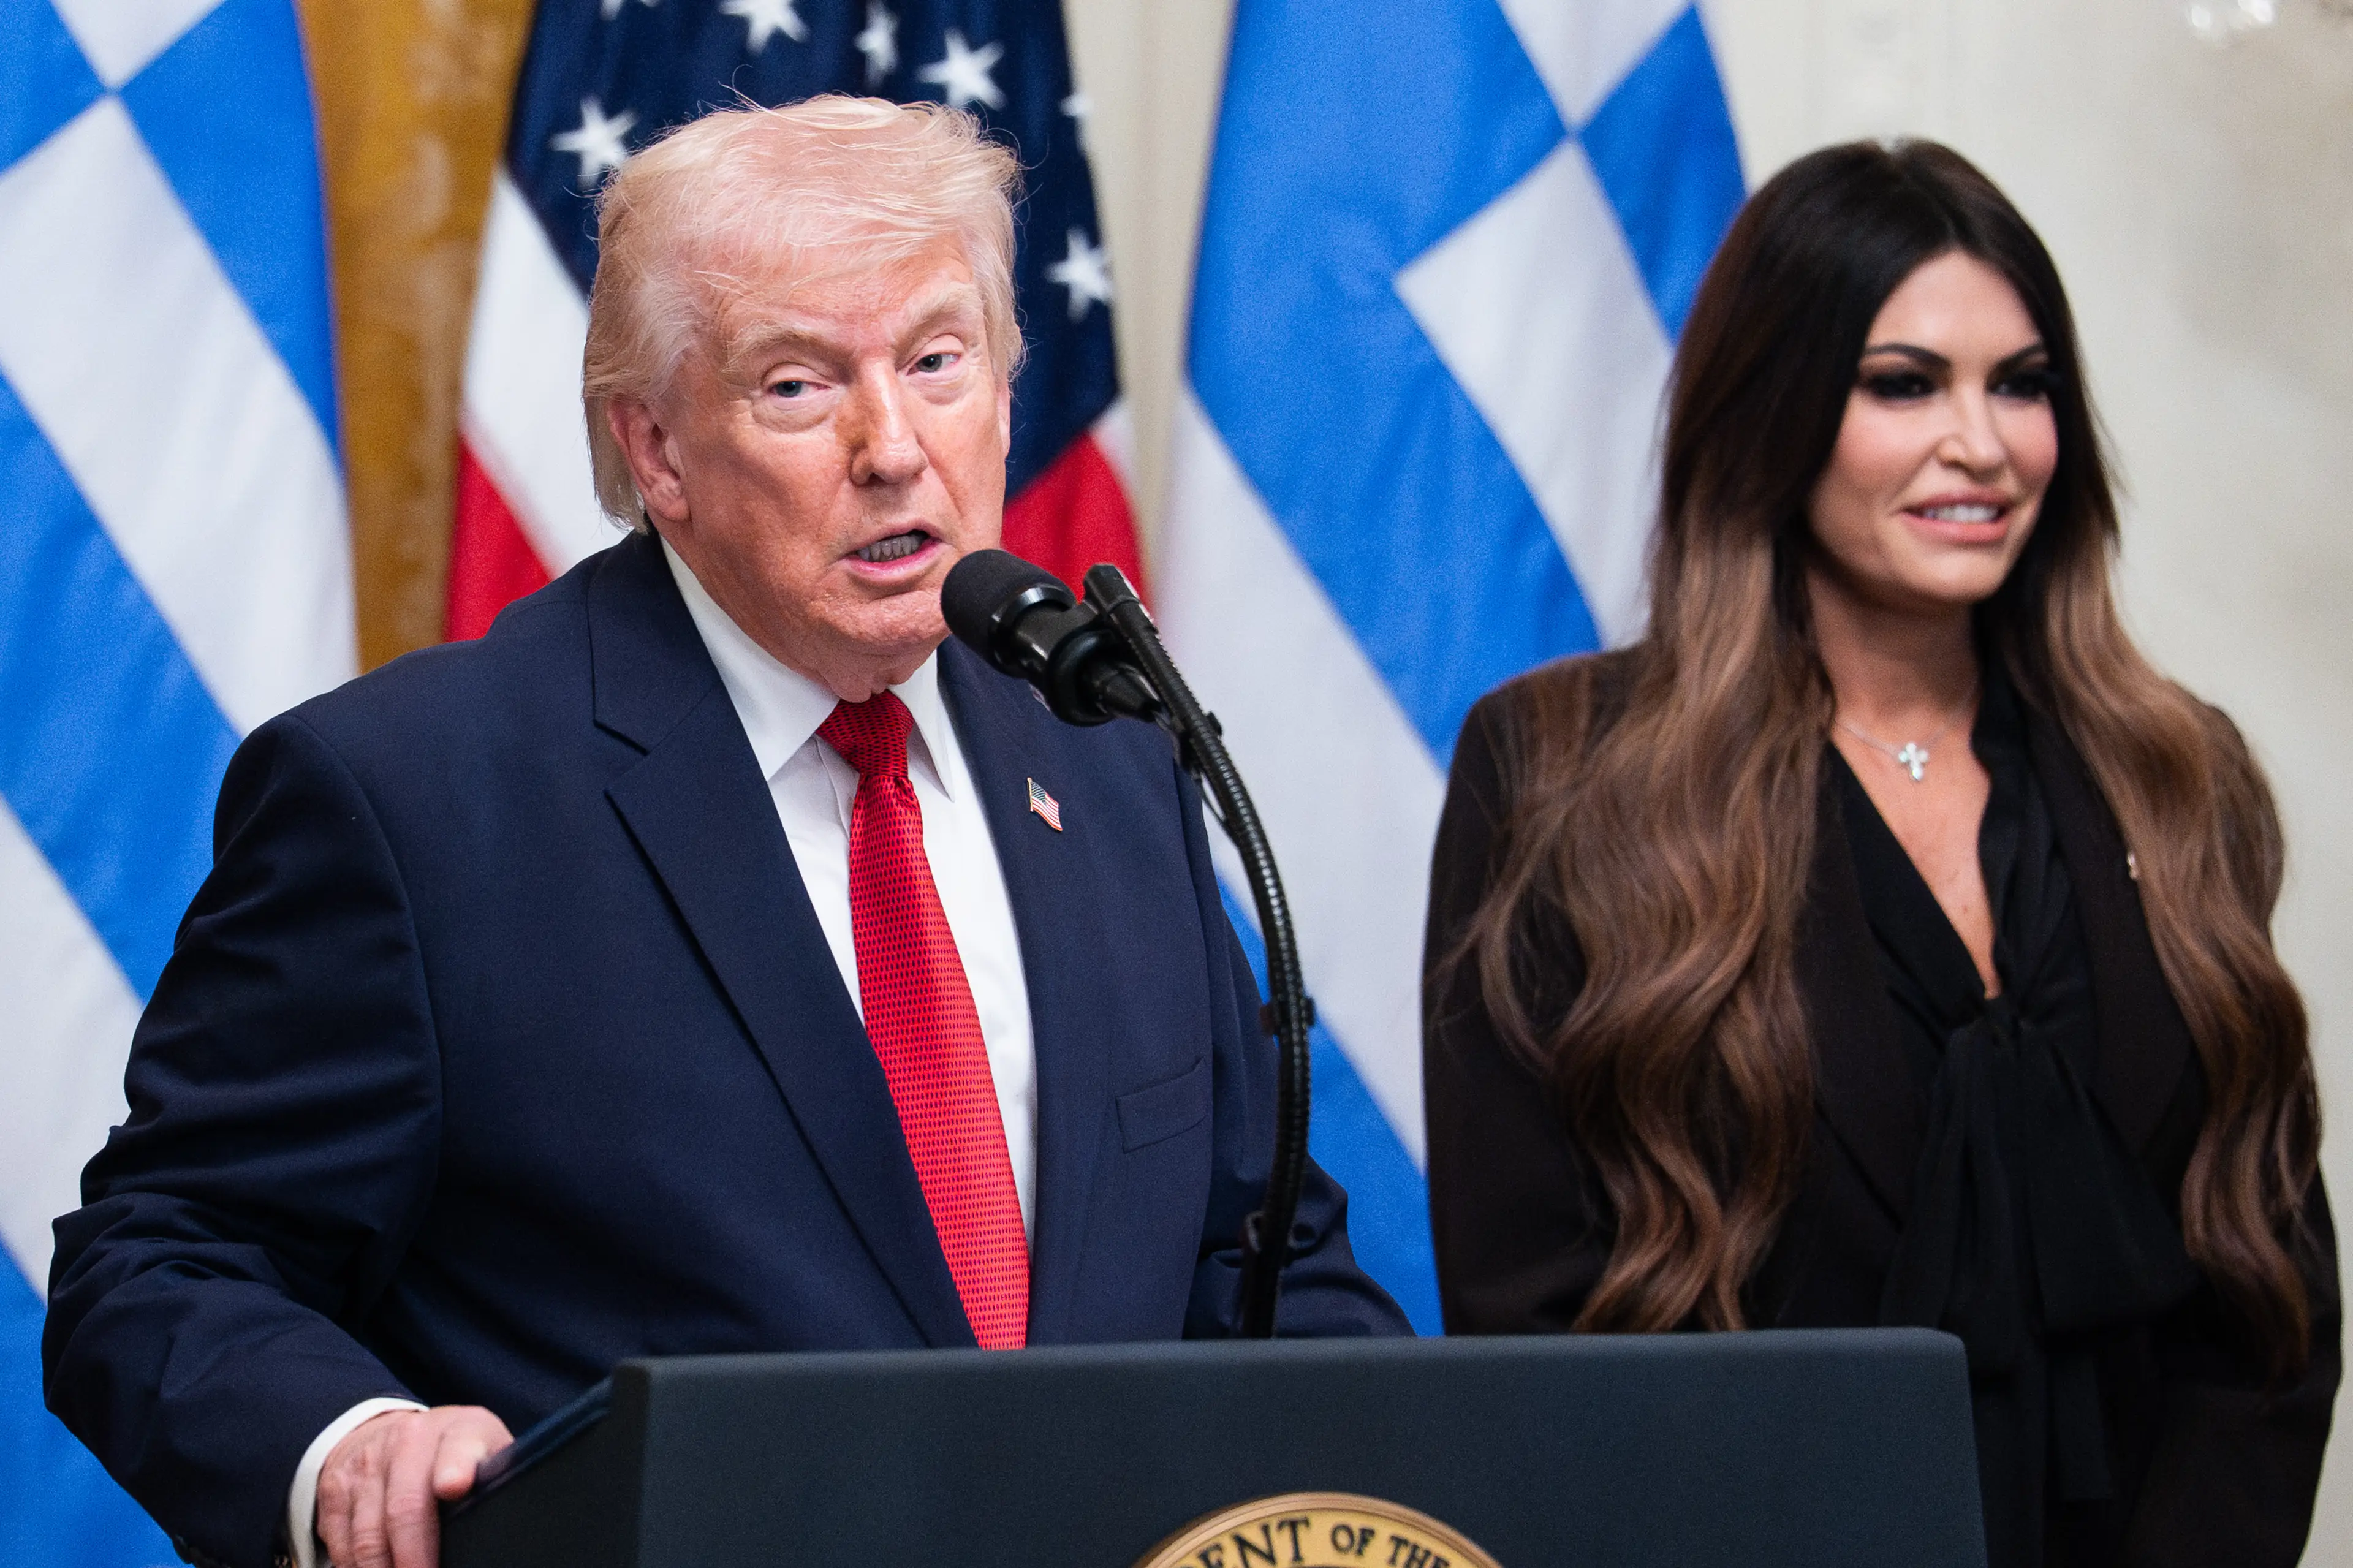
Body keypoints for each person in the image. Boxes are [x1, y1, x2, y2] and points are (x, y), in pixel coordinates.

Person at [46, 97, 1406, 1568]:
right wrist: (346, 1445)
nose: (896, 447)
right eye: (800, 386)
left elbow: (1257, 1264)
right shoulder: (413, 801)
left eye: (939, 363)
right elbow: (161, 1257)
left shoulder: (1118, 755)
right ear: (660, 449)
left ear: (1009, 392)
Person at [1422, 140, 2336, 1567]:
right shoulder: (1561, 775)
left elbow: (2267, 1299)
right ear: (1773, 410)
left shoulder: (2179, 772)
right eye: (1903, 383)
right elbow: (1531, 1317)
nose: (1980, 443)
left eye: (2021, 384)